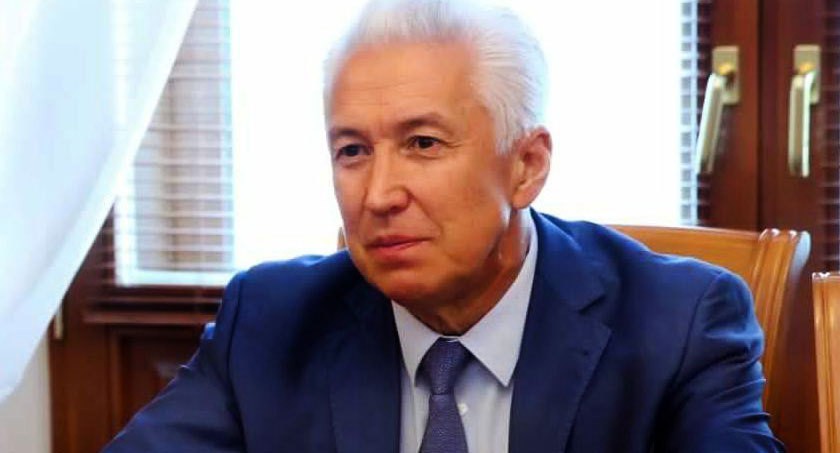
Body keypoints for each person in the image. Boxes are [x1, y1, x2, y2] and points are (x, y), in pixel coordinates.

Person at [103, 0, 784, 451]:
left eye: (423, 143)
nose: (378, 195)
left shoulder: (676, 324)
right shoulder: (270, 323)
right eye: (353, 150)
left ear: (526, 166)